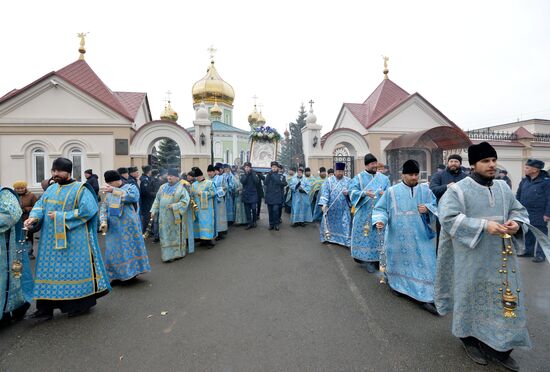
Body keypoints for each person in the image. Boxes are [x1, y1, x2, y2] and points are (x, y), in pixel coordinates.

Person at [435, 142, 545, 371]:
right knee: (471, 296)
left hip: (502, 258)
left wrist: (517, 222)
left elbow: (518, 210)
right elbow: (447, 218)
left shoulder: (504, 188)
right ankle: (469, 340)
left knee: (503, 300)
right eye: (486, 161)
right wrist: (485, 226)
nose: (492, 165)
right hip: (471, 257)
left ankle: (502, 346)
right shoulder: (458, 190)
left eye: (494, 160)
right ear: (473, 164)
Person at [25, 157, 110, 320]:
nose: (55, 174)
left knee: (72, 273)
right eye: (53, 171)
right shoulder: (50, 189)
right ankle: (44, 309)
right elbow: (40, 206)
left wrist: (62, 216)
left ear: (68, 172)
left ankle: (78, 306)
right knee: (46, 273)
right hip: (49, 242)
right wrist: (33, 218)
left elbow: (89, 210)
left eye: (59, 171)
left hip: (74, 241)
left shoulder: (80, 189)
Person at [372, 159, 438, 315]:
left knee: (427, 265)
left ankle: (428, 296)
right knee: (399, 264)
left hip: (421, 237)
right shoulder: (392, 191)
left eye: (416, 174)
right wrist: (380, 220)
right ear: (403, 174)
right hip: (398, 237)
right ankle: (397, 286)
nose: (415, 177)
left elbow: (436, 207)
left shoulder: (426, 191)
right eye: (411, 175)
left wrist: (428, 208)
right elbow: (380, 209)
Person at [99, 170, 151, 280]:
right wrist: (103, 220)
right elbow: (104, 206)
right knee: (113, 251)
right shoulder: (108, 191)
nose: (109, 186)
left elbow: (133, 197)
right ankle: (115, 275)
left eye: (110, 184)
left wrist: (114, 190)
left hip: (128, 227)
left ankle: (132, 274)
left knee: (128, 250)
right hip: (113, 228)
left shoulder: (130, 187)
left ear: (116, 181)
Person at [349, 154, 390, 272]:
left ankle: (379, 260)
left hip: (379, 213)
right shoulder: (359, 178)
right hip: (364, 213)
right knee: (366, 236)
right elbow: (352, 192)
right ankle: (368, 261)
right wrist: (364, 193)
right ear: (366, 165)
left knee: (379, 236)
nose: (375, 165)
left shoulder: (384, 178)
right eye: (372, 164)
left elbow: (390, 192)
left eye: (375, 163)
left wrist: (385, 194)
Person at [0, 186, 33, 326]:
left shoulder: (4, 193)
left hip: (7, 250)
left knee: (12, 279)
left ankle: (9, 312)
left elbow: (11, 214)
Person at [150, 168, 190, 262]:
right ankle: (167, 255)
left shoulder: (181, 188)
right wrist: (153, 211)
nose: (169, 177)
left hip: (175, 218)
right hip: (163, 218)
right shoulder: (162, 187)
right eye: (168, 175)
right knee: (165, 235)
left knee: (175, 235)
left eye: (171, 176)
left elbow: (185, 202)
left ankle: (178, 254)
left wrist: (175, 206)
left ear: (177, 178)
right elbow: (157, 199)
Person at [516, 158, 550, 262]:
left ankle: (541, 254)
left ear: (535, 170)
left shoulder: (546, 182)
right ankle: (529, 251)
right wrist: (517, 209)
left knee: (540, 234)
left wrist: (548, 214)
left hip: (540, 213)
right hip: (526, 212)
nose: (525, 169)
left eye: (527, 167)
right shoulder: (524, 180)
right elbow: (518, 195)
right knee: (528, 232)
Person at [319, 162, 352, 246]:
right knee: (330, 224)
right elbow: (325, 193)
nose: (340, 173)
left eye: (342, 171)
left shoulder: (349, 181)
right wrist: (324, 204)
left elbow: (353, 192)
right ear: (335, 171)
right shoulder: (328, 181)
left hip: (344, 208)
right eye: (338, 171)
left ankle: (345, 240)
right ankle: (328, 238)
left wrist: (348, 193)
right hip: (331, 208)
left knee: (345, 224)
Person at [190, 167, 216, 247]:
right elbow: (192, 195)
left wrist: (203, 193)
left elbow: (213, 192)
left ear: (201, 176)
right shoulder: (194, 184)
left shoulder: (209, 183)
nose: (196, 178)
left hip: (206, 209)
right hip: (197, 208)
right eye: (195, 177)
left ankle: (209, 241)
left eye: (197, 177)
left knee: (206, 223)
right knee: (198, 224)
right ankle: (202, 239)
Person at [12, 181, 38, 258]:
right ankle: (18, 252)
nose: (20, 190)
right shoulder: (12, 195)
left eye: (22, 188)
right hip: (16, 220)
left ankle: (29, 252)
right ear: (15, 189)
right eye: (18, 188)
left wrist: (26, 209)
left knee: (28, 236)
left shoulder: (31, 195)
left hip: (27, 219)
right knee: (17, 235)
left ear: (25, 188)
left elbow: (36, 207)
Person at [264, 161, 287, 230]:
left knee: (276, 210)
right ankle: (271, 224)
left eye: (275, 167)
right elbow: (265, 183)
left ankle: (276, 224)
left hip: (277, 196)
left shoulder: (280, 176)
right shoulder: (269, 174)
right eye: (272, 167)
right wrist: (268, 175)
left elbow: (279, 182)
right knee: (270, 212)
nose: (273, 168)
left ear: (277, 168)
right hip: (269, 196)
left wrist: (272, 175)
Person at [240, 162, 260, 230]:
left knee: (254, 208)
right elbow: (243, 181)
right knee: (247, 210)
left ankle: (254, 221)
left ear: (250, 168)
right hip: (246, 194)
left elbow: (257, 181)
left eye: (248, 167)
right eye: (246, 167)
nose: (247, 168)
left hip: (253, 194)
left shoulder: (254, 174)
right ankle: (249, 223)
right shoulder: (243, 175)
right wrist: (247, 175)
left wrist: (252, 173)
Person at [212, 164, 228, 238]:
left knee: (220, 215)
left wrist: (219, 191)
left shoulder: (222, 178)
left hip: (220, 199)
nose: (215, 172)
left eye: (215, 171)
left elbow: (226, 187)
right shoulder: (211, 179)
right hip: (214, 199)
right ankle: (216, 231)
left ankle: (221, 231)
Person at [139, 165, 156, 233]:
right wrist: (154, 194)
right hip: (146, 201)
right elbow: (146, 192)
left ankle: (147, 230)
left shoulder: (147, 178)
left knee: (148, 216)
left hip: (148, 201)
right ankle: (145, 231)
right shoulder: (144, 179)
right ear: (149, 171)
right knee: (146, 217)